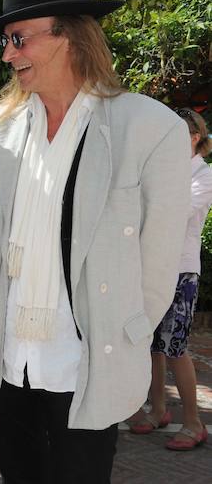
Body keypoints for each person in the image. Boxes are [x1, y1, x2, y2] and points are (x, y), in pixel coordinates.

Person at [0, 0, 192, 483]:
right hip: (7, 361)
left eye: (18, 38)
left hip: (88, 364)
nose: (7, 55)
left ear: (68, 35)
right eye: (5, 41)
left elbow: (159, 263)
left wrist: (125, 331)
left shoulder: (149, 129)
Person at [129, 107, 212, 450]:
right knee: (152, 346)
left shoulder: (202, 176)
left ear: (194, 138)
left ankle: (193, 423)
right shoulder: (168, 171)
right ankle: (159, 410)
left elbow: (173, 213)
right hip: (155, 267)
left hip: (182, 271)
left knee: (175, 347)